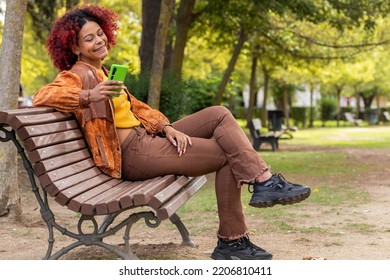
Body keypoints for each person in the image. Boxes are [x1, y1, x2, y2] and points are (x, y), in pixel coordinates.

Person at [33, 4, 310, 260]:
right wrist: (88, 95)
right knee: (228, 155)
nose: (99, 40)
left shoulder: (104, 72)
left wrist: (166, 128)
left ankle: (263, 182)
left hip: (146, 138)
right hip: (132, 154)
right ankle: (233, 240)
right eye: (89, 38)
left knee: (219, 113)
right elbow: (43, 95)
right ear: (75, 47)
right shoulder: (78, 74)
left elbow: (137, 108)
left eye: (100, 33)